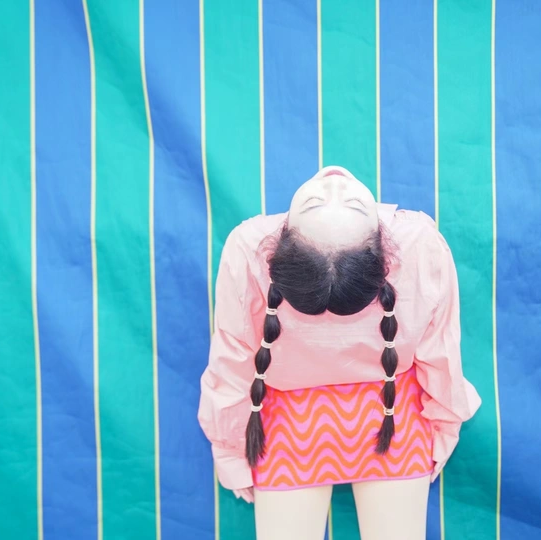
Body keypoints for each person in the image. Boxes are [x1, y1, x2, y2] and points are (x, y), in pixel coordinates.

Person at [198, 166, 481, 540]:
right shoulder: (419, 241)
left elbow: (230, 361)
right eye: (316, 202)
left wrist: (231, 452)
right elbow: (441, 354)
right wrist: (445, 427)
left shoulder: (248, 245)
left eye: (352, 204)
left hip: (375, 417)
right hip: (348, 422)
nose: (335, 183)